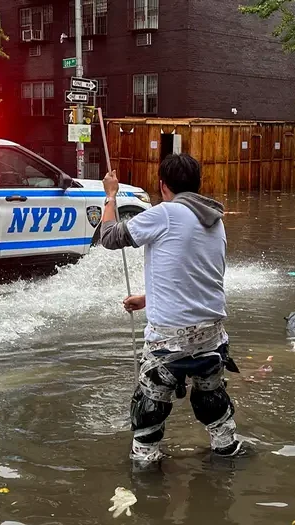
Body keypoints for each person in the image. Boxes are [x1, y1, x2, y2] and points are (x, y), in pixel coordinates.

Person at [99, 153, 241, 463]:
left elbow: (108, 237)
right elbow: (198, 275)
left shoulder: (165, 213)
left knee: (149, 410)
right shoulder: (215, 220)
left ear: (163, 186)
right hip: (212, 337)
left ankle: (146, 471)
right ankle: (228, 453)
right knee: (213, 403)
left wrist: (110, 195)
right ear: (198, 184)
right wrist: (148, 298)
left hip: (169, 340)